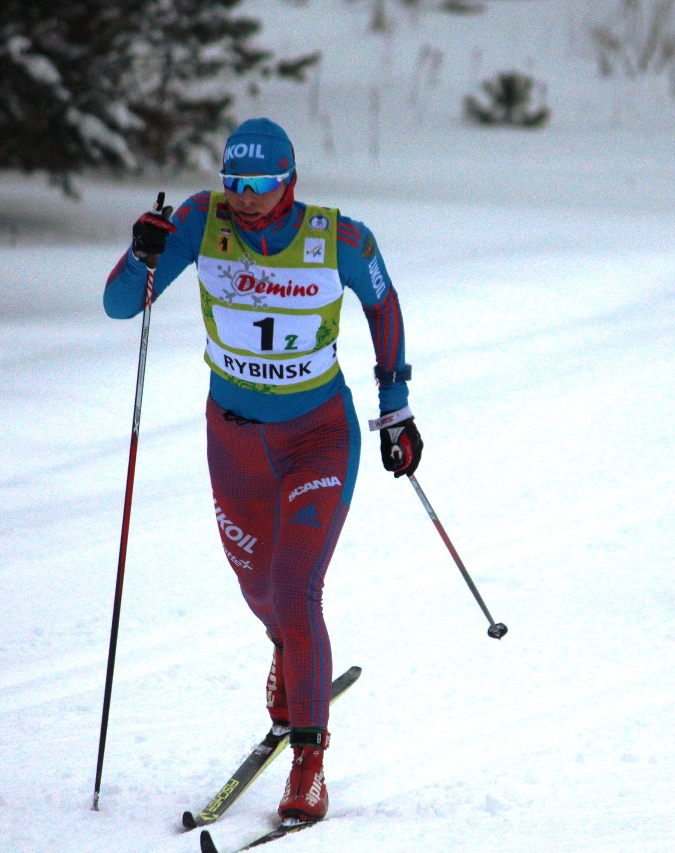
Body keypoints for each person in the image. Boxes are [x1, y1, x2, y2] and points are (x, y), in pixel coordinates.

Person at [103, 117, 422, 823]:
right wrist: (141, 253)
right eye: (234, 184)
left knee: (294, 584)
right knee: (259, 590)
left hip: (317, 438)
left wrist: (394, 407)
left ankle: (309, 760)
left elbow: (384, 302)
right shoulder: (198, 221)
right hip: (235, 442)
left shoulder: (338, 240)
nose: (245, 200)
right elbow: (120, 304)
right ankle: (285, 646)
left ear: (290, 183)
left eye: (260, 186)